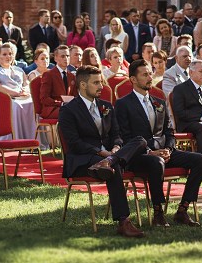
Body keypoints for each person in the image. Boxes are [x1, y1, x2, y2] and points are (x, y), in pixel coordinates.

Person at [57, 65, 148, 238]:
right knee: (113, 168)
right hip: (84, 160)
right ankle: (123, 221)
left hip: (108, 158)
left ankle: (111, 161)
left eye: (101, 82)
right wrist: (101, 153)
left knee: (140, 141)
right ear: (83, 85)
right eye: (96, 82)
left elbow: (117, 135)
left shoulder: (107, 106)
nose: (101, 86)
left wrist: (116, 148)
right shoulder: (68, 110)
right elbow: (74, 143)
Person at [115, 60, 202, 227]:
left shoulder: (159, 102)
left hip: (164, 151)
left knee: (200, 159)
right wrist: (150, 151)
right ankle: (158, 212)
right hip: (139, 156)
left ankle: (183, 210)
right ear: (133, 80)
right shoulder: (123, 104)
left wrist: (169, 150)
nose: (150, 77)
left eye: (151, 73)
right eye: (145, 74)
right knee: (156, 162)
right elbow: (124, 137)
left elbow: (168, 132)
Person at [0, 43, 37, 140]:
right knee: (15, 105)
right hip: (2, 99)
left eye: (10, 54)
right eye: (4, 54)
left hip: (22, 97)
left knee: (34, 104)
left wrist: (25, 90)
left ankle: (32, 138)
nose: (8, 56)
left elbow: (27, 83)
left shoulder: (19, 70)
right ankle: (16, 138)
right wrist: (16, 93)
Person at [39, 46, 75, 120]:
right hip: (52, 109)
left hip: (68, 108)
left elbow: (75, 95)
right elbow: (44, 98)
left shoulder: (72, 76)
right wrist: (61, 104)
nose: (66, 58)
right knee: (70, 112)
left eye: (67, 56)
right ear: (55, 58)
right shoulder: (48, 74)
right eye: (62, 56)